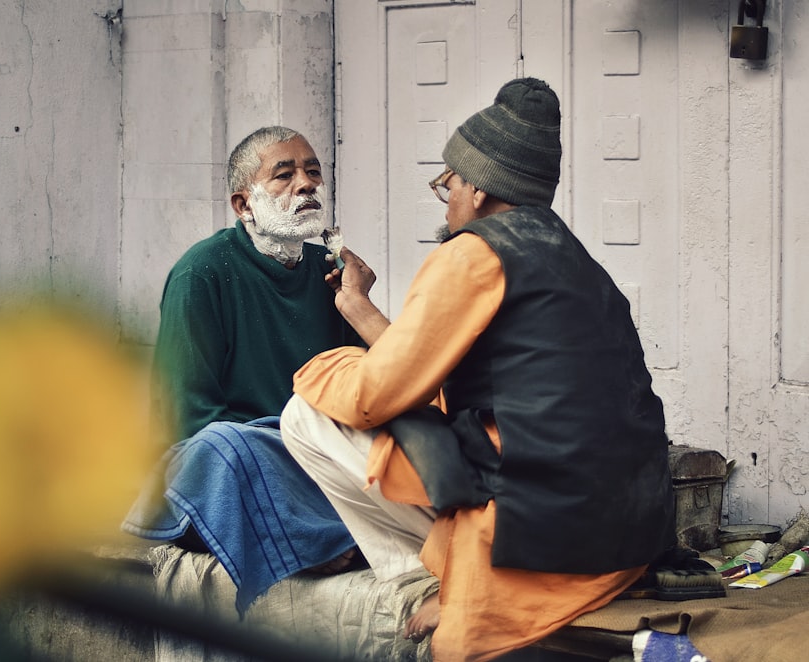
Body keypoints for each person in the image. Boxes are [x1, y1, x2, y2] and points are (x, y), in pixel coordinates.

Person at [280, 78, 675, 660]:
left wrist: (320, 368)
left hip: (539, 537)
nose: (448, 198)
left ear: (481, 190)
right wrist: (360, 310)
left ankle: (442, 579)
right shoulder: (577, 260)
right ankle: (452, 572)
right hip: (623, 534)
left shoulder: (471, 251)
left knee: (308, 411)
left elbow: (377, 393)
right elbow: (438, 374)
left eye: (449, 184)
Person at [121, 126, 364, 614]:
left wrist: (359, 303)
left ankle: (313, 527)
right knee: (222, 446)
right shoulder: (202, 272)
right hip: (237, 458)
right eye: (284, 175)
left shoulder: (332, 273)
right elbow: (186, 418)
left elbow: (368, 387)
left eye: (313, 172)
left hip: (311, 454)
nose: (306, 184)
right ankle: (306, 538)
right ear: (243, 203)